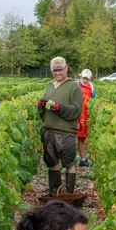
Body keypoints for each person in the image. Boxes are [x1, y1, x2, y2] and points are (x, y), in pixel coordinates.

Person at [37, 56, 83, 194]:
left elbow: (76, 110)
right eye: (54, 70)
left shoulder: (74, 86)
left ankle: (68, 194)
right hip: (48, 131)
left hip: (65, 132)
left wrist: (60, 108)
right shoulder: (50, 87)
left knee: (69, 163)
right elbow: (43, 113)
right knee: (52, 163)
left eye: (60, 70)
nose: (58, 73)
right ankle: (54, 193)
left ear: (66, 68)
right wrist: (40, 106)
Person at [76, 69, 96, 167]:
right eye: (83, 78)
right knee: (70, 138)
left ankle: (83, 159)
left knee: (82, 138)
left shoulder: (91, 87)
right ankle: (69, 159)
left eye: (87, 79)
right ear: (81, 77)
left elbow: (94, 101)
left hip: (85, 116)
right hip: (75, 115)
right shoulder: (76, 86)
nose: (85, 80)